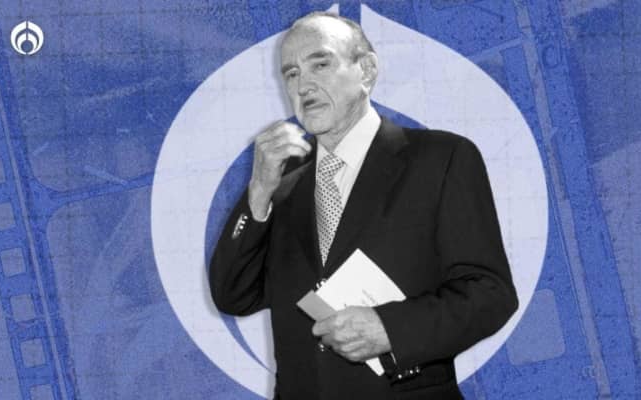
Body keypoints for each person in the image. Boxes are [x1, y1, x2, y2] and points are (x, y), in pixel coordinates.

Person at [209, 11, 518, 400]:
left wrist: (390, 329)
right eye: (291, 73)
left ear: (367, 71)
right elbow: (233, 295)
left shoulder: (441, 159)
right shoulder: (281, 190)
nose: (304, 84)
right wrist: (258, 191)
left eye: (320, 64)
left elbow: (490, 294)